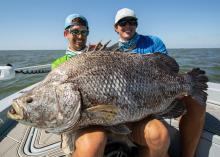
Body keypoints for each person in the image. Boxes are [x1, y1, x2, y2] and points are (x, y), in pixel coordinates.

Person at [113, 8, 206, 157]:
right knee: (159, 136)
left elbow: (168, 69)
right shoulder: (112, 54)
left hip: (160, 97)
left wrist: (174, 89)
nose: (128, 26)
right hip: (134, 107)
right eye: (123, 23)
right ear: (116, 27)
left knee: (197, 102)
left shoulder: (153, 42)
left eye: (132, 22)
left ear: (136, 24)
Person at [52, 14, 107, 157]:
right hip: (75, 120)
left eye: (84, 32)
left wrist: (103, 56)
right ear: (66, 34)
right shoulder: (58, 65)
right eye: (75, 32)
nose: (80, 36)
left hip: (102, 115)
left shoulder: (96, 56)